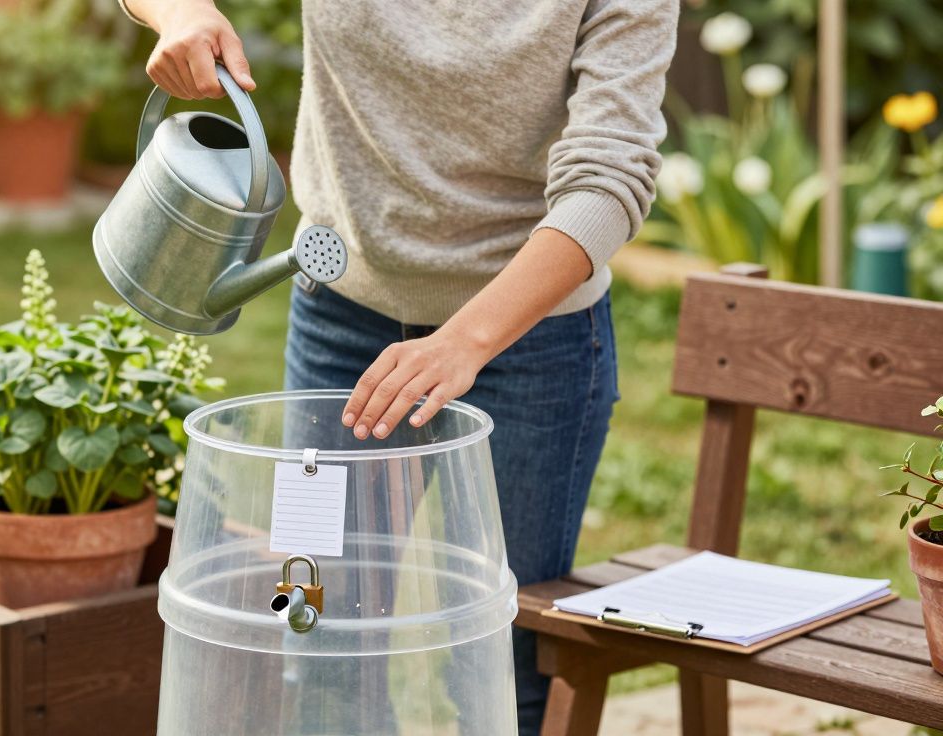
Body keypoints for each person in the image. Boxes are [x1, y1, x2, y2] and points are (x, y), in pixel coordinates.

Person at [120, 1, 677, 732]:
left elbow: (609, 177)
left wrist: (467, 339)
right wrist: (181, 13)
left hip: (531, 338)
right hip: (340, 323)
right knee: (315, 627)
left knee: (517, 651)